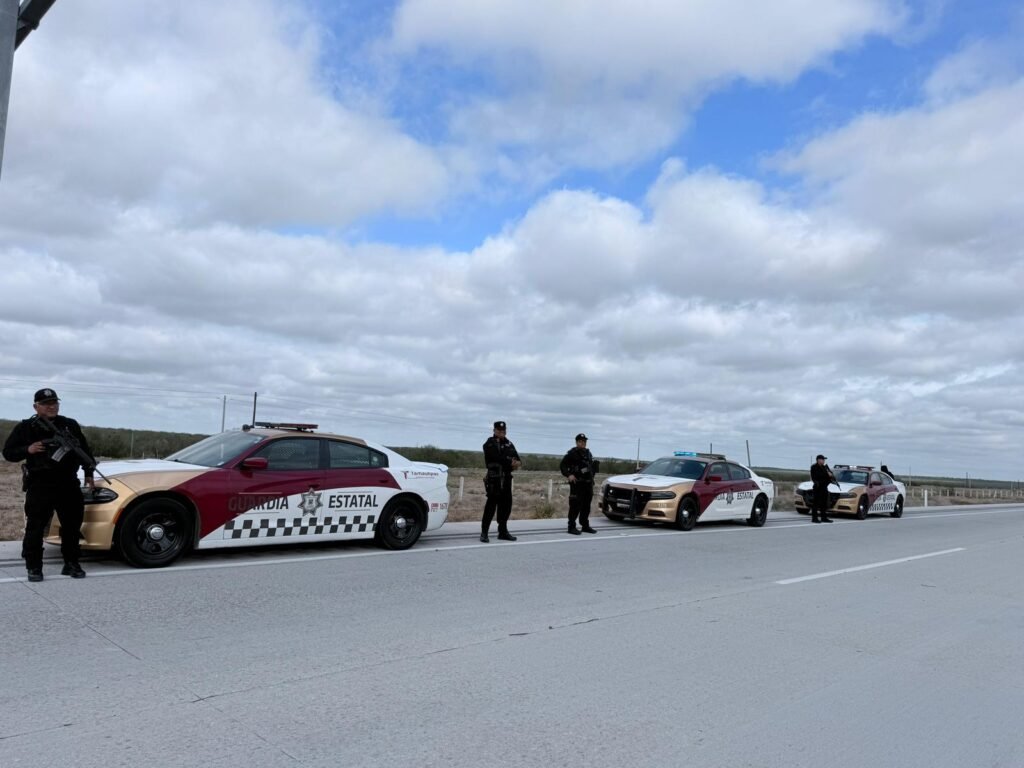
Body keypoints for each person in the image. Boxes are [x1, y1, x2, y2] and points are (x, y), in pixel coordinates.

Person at [2, 389, 95, 581]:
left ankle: (71, 563)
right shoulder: (26, 427)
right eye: (46, 404)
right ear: (36, 406)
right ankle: (34, 567)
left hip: (68, 483)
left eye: (54, 403)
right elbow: (8, 453)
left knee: (72, 526)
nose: (52, 407)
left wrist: (89, 472)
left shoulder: (69, 425)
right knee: (35, 527)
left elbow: (84, 450)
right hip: (40, 484)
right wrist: (28, 449)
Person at [480, 421, 521, 542]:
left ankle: (503, 531)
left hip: (506, 479)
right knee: (491, 507)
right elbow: (496, 458)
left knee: (506, 506)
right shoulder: (489, 443)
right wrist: (509, 462)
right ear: (494, 430)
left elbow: (518, 460)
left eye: (503, 431)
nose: (502, 432)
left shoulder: (509, 444)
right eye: (499, 430)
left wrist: (516, 463)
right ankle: (484, 532)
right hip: (494, 479)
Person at [560, 433, 597, 534]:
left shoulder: (588, 453)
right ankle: (571, 527)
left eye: (584, 441)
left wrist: (592, 472)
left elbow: (590, 468)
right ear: (577, 442)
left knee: (586, 506)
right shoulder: (572, 453)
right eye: (580, 441)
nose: (583, 443)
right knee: (575, 505)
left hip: (587, 483)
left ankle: (585, 525)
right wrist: (569, 475)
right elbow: (563, 465)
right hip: (577, 483)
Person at [809, 454, 835, 524]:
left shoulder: (824, 467)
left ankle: (824, 517)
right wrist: (827, 474)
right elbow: (817, 476)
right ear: (818, 460)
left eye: (824, 460)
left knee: (824, 504)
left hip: (824, 487)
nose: (824, 461)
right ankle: (814, 518)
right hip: (818, 488)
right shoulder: (814, 467)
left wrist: (830, 475)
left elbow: (829, 477)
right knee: (816, 503)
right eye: (822, 459)